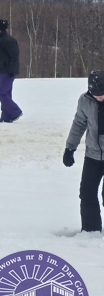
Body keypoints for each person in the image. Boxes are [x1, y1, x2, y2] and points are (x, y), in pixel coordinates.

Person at [63, 70, 104, 233]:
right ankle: (91, 232)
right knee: (87, 193)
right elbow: (79, 124)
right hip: (93, 155)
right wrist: (70, 148)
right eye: (97, 94)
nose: (100, 97)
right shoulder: (85, 100)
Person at [0, 19, 23, 123]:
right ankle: (5, 117)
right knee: (6, 94)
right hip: (1, 70)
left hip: (7, 71)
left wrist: (11, 70)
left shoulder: (8, 40)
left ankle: (15, 112)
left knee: (1, 93)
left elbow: (14, 56)